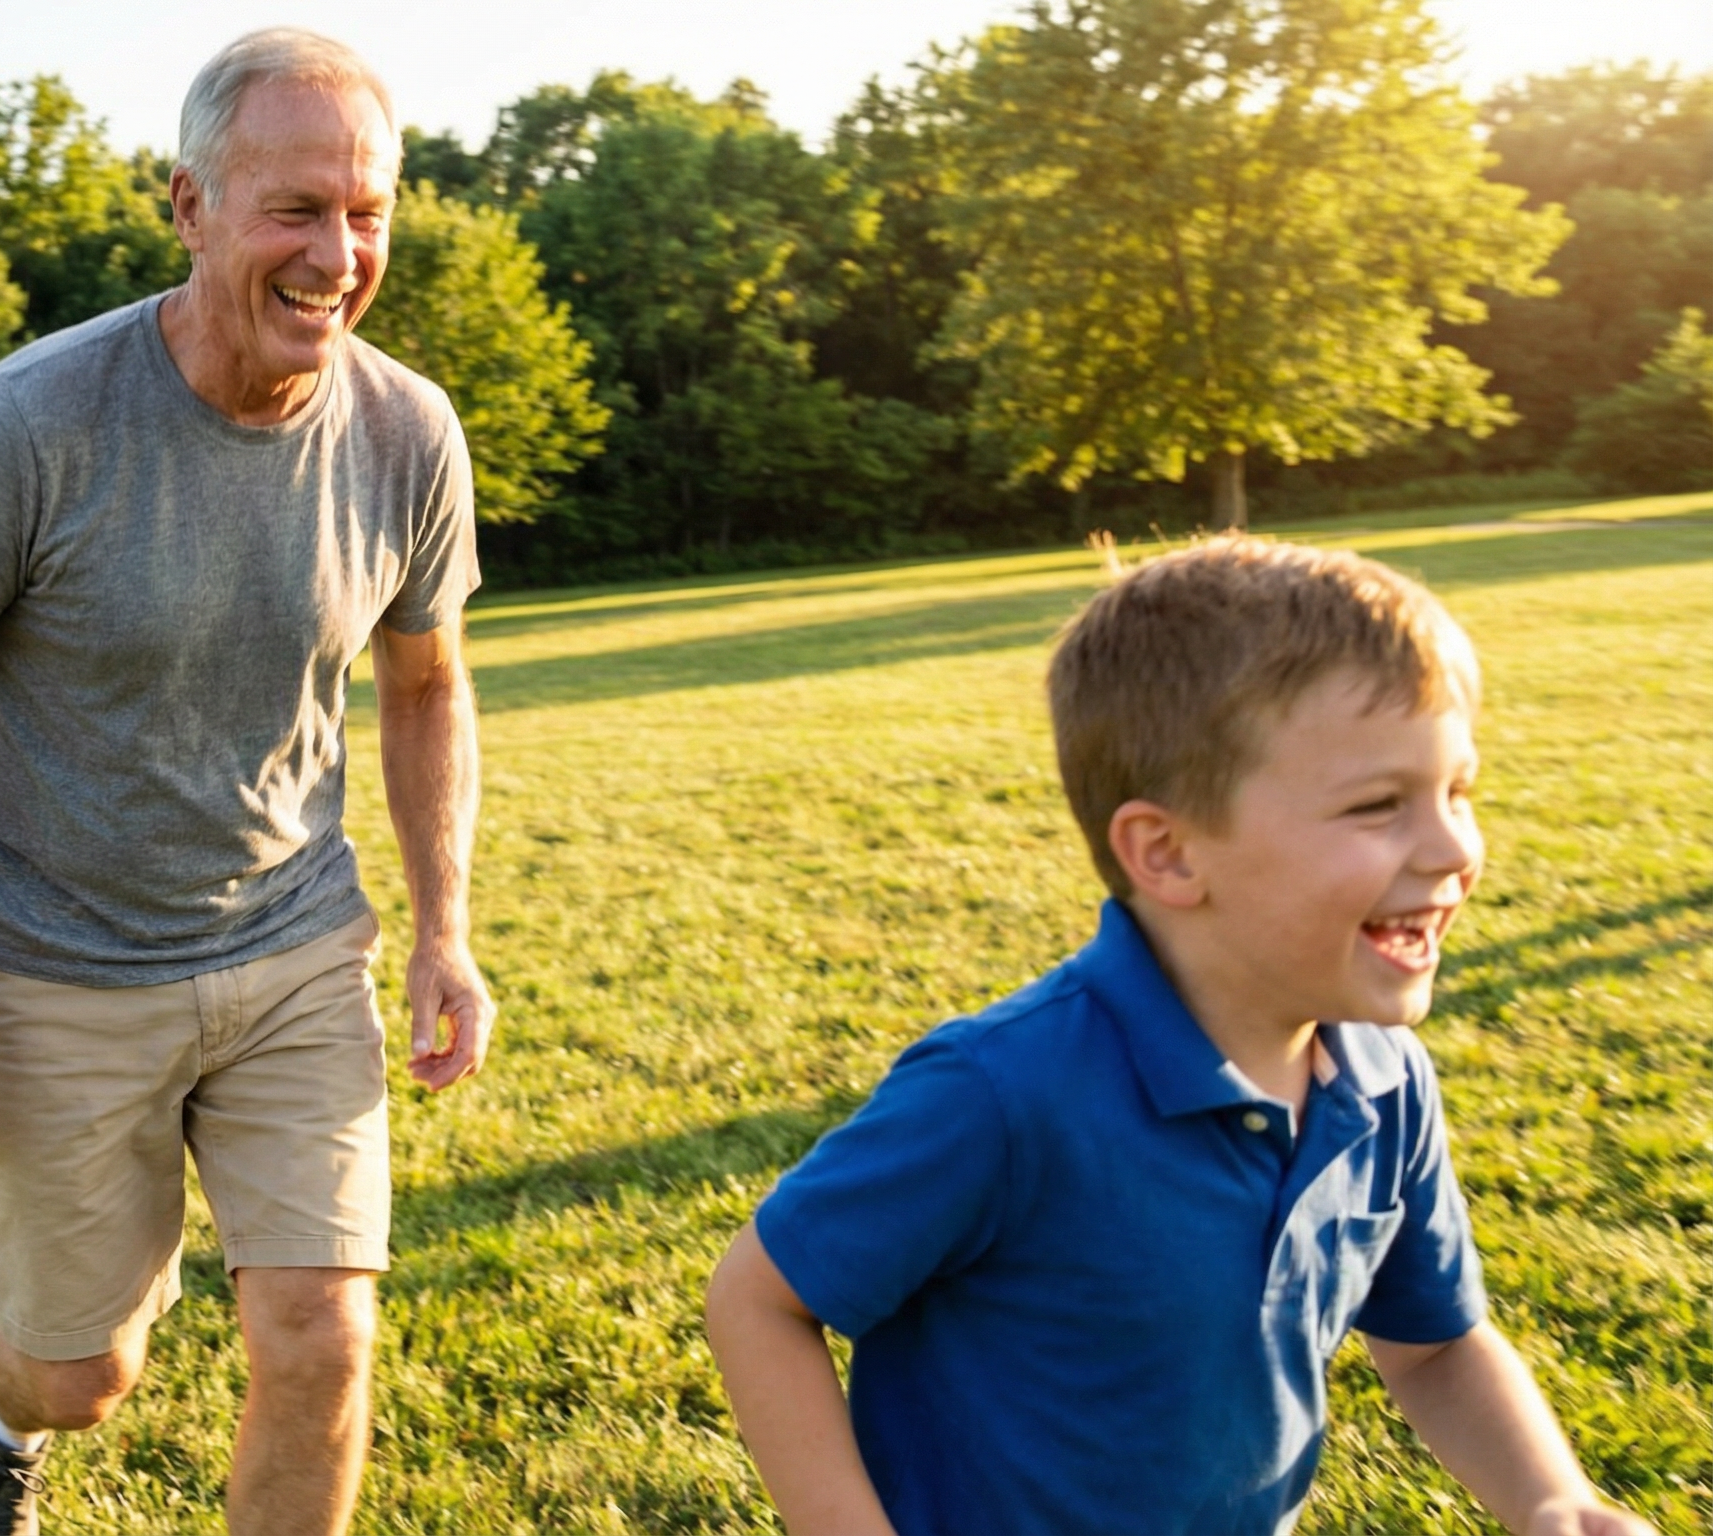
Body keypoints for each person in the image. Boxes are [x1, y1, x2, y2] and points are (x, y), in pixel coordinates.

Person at [0, 27, 492, 1536]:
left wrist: (444, 927)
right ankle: (5, 1427)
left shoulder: (408, 433)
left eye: (369, 212)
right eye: (296, 209)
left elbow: (426, 680)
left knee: (322, 1333)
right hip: (57, 971)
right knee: (88, 1368)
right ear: (188, 207)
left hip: (294, 950)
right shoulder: (36, 423)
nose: (339, 253)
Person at [702, 536, 1657, 1536]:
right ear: (1166, 853)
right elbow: (758, 1301)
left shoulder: (1382, 1081)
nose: (1454, 847)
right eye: (1379, 805)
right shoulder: (1003, 1092)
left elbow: (1435, 1347)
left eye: (1456, 791)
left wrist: (1554, 1502)